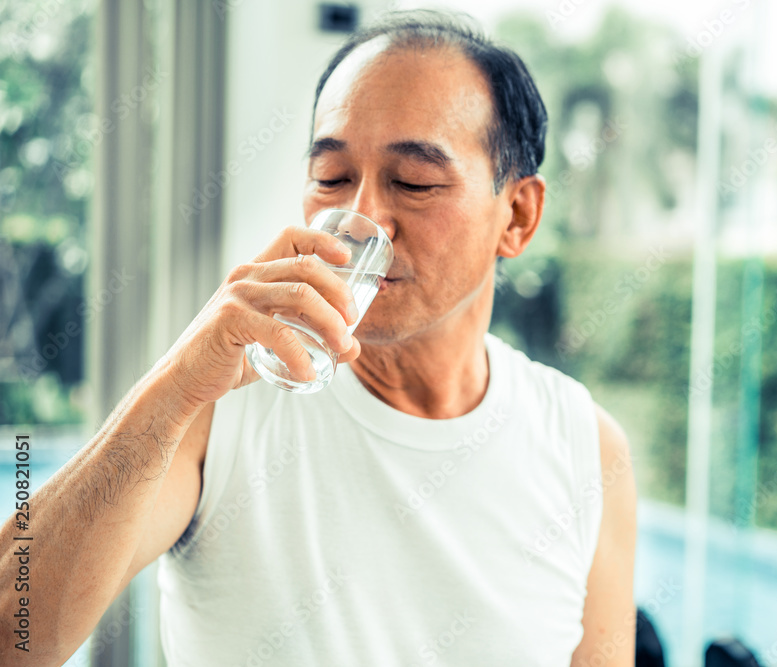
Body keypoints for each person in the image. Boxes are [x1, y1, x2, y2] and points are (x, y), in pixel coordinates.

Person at [0, 11, 637, 666]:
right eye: (331, 178)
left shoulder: (584, 447)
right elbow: (11, 637)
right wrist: (174, 385)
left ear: (519, 215)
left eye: (414, 182)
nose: (360, 219)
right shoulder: (219, 404)